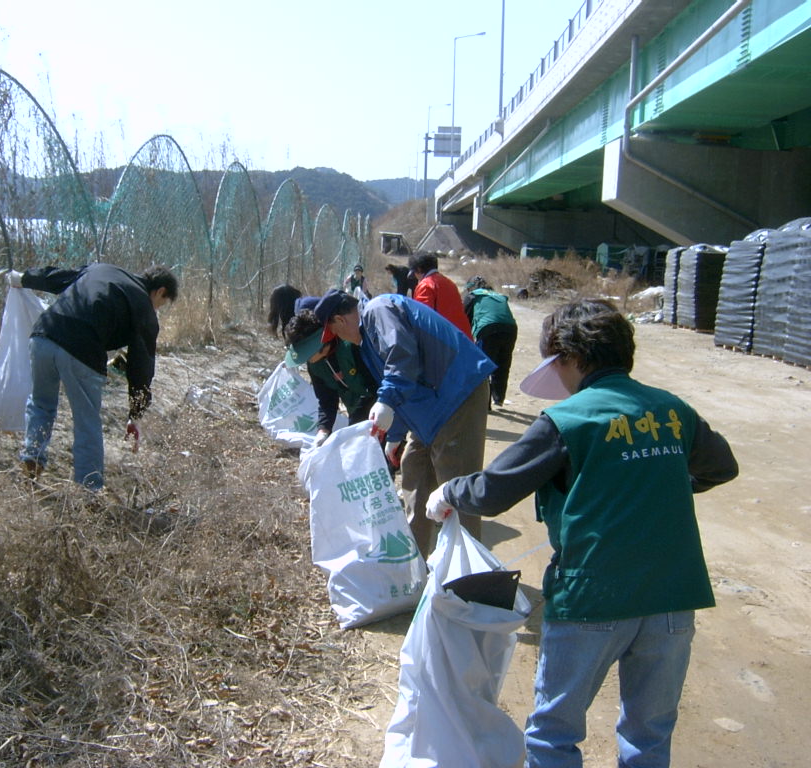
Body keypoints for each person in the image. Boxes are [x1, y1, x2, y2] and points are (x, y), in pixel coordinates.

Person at [425, 298, 739, 768]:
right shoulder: (672, 411)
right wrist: (658, 486)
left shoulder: (567, 421)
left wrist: (450, 490)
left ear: (571, 358)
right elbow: (722, 466)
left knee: (554, 734)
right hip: (674, 598)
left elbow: (492, 492)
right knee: (649, 733)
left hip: (593, 597)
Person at [315, 289, 495, 557]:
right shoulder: (367, 344)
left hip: (457, 395)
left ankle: (468, 579)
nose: (341, 340)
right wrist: (396, 435)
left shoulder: (378, 310)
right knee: (415, 473)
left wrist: (385, 401)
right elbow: (400, 390)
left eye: (336, 333)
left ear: (340, 321)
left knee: (455, 488)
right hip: (430, 410)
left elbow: (402, 357)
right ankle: (415, 564)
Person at [7, 263, 178, 491]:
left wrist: (24, 278)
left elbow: (56, 276)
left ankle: (32, 455)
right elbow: (141, 367)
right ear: (160, 291)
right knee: (86, 421)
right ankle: (89, 489)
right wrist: (135, 414)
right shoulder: (144, 308)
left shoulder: (101, 269)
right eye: (162, 304)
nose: (157, 309)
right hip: (83, 350)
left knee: (41, 403)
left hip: (43, 336)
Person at [283, 308, 376, 448]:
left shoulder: (351, 343)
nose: (306, 359)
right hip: (356, 408)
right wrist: (323, 430)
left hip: (379, 402)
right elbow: (327, 399)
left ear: (320, 344)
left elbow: (375, 383)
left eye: (307, 354)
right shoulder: (315, 364)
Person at [463, 276, 518, 409]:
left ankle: (484, 404)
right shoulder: (498, 296)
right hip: (510, 329)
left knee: (484, 366)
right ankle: (498, 398)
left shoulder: (472, 296)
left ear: (471, 287)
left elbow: (464, 320)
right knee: (503, 364)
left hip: (488, 329)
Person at [407, 251, 473, 339]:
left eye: (415, 273)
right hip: (463, 337)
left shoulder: (426, 285)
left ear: (419, 269)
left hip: (445, 340)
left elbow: (422, 318)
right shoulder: (449, 283)